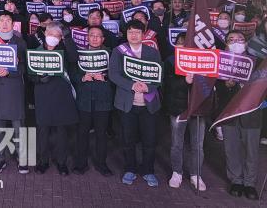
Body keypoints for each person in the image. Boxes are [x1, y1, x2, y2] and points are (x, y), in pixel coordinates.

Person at [109, 20, 162, 187]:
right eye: (130, 32)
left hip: (149, 103)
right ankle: (130, 168)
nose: (133, 35)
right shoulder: (119, 51)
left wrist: (148, 86)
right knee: (128, 138)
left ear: (143, 34)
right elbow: (113, 74)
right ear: (126, 34)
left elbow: (160, 75)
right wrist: (131, 85)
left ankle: (148, 170)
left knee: (150, 140)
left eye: (137, 32)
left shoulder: (152, 52)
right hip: (127, 103)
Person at [29, 22, 79, 176]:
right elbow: (30, 75)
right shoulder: (36, 50)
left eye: (57, 35)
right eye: (51, 34)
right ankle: (43, 161)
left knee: (61, 131)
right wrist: (39, 79)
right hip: (43, 93)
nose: (53, 38)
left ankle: (61, 162)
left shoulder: (64, 49)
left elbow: (74, 57)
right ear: (45, 33)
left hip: (62, 93)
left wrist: (67, 37)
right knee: (43, 130)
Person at [217, 31, 261, 200]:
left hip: (252, 111)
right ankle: (236, 180)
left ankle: (250, 182)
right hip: (229, 111)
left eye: (240, 40)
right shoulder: (221, 62)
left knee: (251, 148)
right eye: (232, 40)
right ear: (226, 44)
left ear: (246, 43)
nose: (236, 42)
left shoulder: (257, 62)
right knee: (231, 147)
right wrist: (226, 85)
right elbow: (214, 89)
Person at [0, 11, 28, 174]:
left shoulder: (20, 42)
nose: (4, 23)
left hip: (15, 88)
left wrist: (12, 70)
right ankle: (0, 159)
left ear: (13, 24)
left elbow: (25, 68)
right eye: (1, 20)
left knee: (19, 127)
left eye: (8, 20)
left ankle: (22, 159)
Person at [164, 33, 208, 191]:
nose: (183, 46)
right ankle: (177, 172)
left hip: (198, 109)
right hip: (178, 108)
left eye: (187, 43)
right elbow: (167, 85)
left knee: (198, 144)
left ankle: (196, 174)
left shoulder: (203, 60)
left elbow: (209, 85)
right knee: (177, 143)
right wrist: (184, 82)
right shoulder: (170, 61)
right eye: (180, 43)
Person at [72, 26, 114, 177]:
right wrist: (83, 78)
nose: (95, 38)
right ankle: (80, 164)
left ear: (103, 39)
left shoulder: (110, 53)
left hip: (103, 99)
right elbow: (73, 73)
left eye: (98, 36)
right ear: (87, 38)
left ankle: (101, 164)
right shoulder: (79, 53)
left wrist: (106, 78)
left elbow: (116, 74)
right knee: (82, 133)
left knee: (101, 134)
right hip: (84, 98)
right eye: (92, 35)